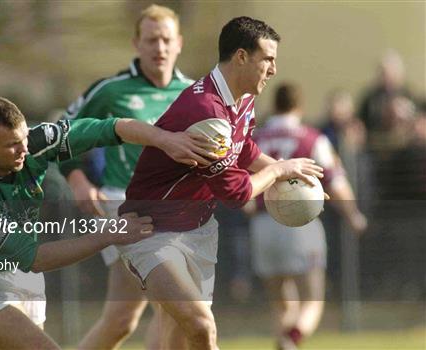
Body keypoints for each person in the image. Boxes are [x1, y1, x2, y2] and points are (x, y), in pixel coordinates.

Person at [0, 96, 217, 349]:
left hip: (20, 269)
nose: (24, 148)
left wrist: (164, 139)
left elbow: (111, 128)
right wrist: (108, 235)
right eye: (12, 145)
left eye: (24, 137)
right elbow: (35, 258)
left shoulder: (34, 142)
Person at [118, 17, 325, 349]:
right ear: (241, 57)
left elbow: (244, 150)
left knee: (176, 338)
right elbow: (236, 193)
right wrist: (278, 171)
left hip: (196, 230)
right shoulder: (207, 112)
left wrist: (290, 175)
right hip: (151, 230)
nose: (273, 69)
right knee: (201, 327)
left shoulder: (240, 98)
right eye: (268, 59)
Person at [60, 5, 194, 349]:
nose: (159, 48)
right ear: (137, 44)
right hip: (127, 207)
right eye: (151, 40)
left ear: (178, 43)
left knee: (121, 321)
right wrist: (76, 178)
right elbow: (61, 134)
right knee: (179, 309)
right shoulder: (111, 91)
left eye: (166, 40)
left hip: (178, 211)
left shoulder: (195, 94)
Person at [249, 83, 367, 350]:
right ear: (300, 107)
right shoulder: (313, 138)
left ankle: (283, 342)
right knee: (312, 300)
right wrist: (353, 215)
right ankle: (292, 340)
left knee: (281, 305)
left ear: (274, 105)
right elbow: (336, 183)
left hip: (262, 223)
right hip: (301, 224)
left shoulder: (256, 139)